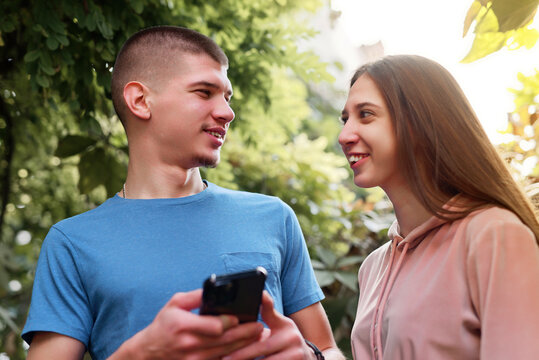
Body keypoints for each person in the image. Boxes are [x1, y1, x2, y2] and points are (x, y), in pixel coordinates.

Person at [22, 26, 344, 360]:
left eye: (227, 98)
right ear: (141, 101)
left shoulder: (274, 217)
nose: (227, 112)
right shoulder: (72, 244)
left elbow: (329, 348)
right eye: (205, 92)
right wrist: (139, 354)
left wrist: (313, 357)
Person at [338, 55, 539, 360]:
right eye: (345, 119)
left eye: (366, 115)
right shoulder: (373, 267)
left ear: (419, 122)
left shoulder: (494, 235)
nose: (344, 136)